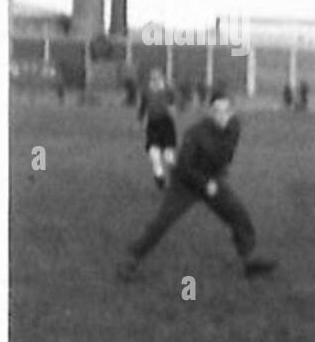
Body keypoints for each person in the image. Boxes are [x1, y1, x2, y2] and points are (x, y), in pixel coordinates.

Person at [118, 91, 277, 280]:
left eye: (226, 111)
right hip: (185, 183)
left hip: (212, 180)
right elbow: (184, 165)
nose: (221, 115)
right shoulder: (195, 133)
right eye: (217, 110)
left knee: (238, 215)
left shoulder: (234, 126)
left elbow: (226, 155)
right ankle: (131, 259)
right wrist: (205, 182)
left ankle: (249, 260)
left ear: (232, 112)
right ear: (210, 111)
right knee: (162, 222)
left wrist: (214, 178)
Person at [137, 68, 177, 190]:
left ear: (161, 78)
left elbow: (172, 103)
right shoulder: (146, 91)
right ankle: (159, 176)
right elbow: (143, 106)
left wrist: (171, 109)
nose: (154, 80)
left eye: (157, 77)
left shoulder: (167, 90)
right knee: (153, 152)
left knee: (168, 156)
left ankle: (179, 178)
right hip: (153, 124)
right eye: (152, 78)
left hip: (166, 124)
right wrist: (140, 119)